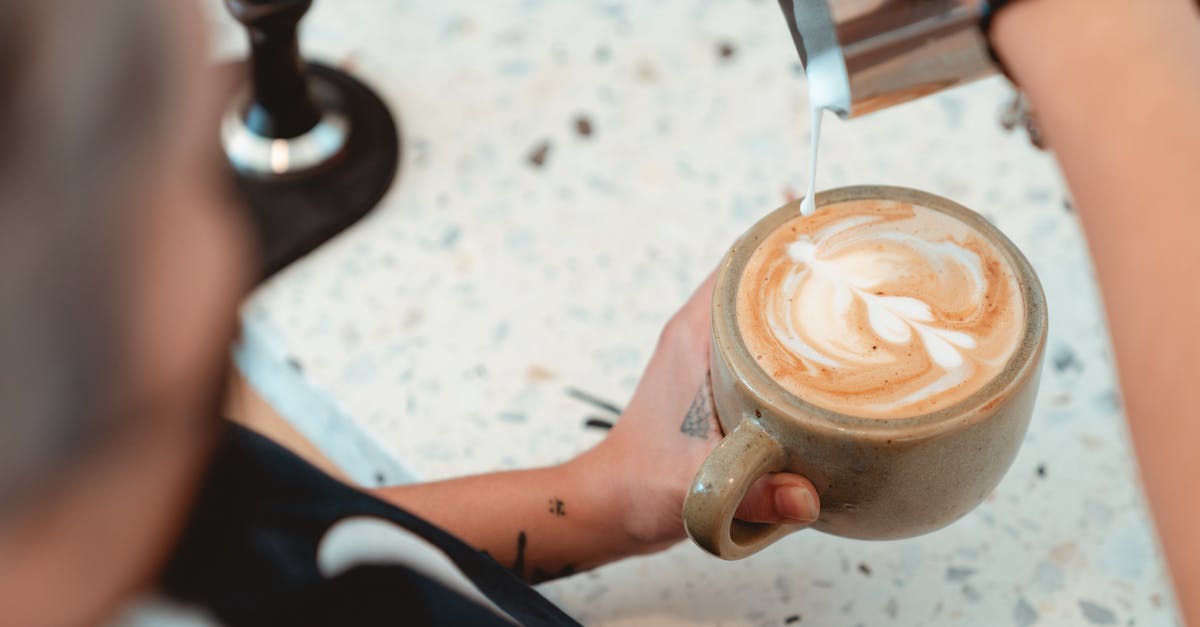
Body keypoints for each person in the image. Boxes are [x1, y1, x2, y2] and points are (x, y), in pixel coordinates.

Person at [0, 0, 1195, 625]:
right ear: (134, 306)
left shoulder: (111, 504)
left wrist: (599, 501)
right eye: (172, 136)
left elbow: (289, 546)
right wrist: (1104, 43)